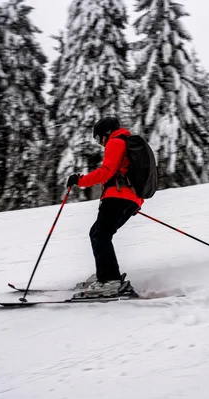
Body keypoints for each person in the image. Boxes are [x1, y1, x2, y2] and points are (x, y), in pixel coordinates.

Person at [66, 116, 144, 298]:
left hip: (117, 197)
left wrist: (81, 180)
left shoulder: (116, 142)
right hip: (129, 199)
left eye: (98, 138)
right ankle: (105, 275)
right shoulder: (126, 142)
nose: (99, 143)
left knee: (100, 234)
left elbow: (107, 171)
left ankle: (110, 281)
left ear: (106, 134)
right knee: (98, 233)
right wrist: (134, 204)